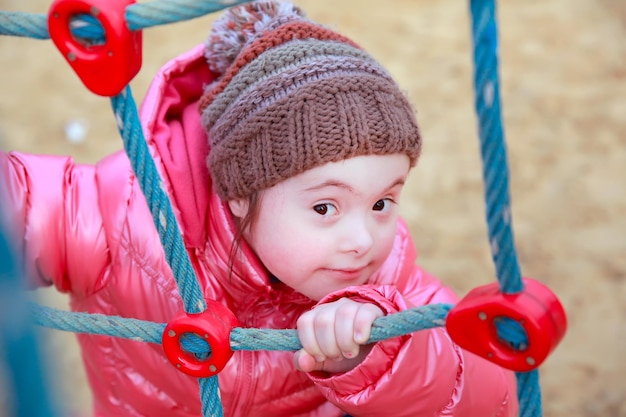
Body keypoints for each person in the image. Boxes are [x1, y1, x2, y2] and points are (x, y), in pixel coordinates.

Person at [0, 1, 518, 416]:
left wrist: (380, 357)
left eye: (383, 201)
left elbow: (491, 393)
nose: (362, 238)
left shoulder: (384, 280)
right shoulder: (128, 215)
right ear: (241, 192)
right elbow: (22, 206)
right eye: (324, 207)